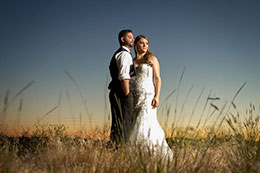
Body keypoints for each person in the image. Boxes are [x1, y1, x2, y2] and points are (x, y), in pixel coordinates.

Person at [128, 35, 173, 158]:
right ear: (136, 44)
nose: (144, 45)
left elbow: (158, 78)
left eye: (146, 43)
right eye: (141, 43)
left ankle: (151, 152)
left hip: (148, 95)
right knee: (135, 121)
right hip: (135, 96)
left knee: (144, 121)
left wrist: (157, 96)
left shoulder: (151, 58)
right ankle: (138, 155)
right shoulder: (131, 61)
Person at [108, 29, 136, 145]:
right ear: (123, 39)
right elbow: (124, 76)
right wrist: (127, 94)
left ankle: (115, 148)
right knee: (124, 123)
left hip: (118, 93)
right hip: (122, 94)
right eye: (130, 37)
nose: (133, 39)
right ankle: (120, 149)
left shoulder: (122, 53)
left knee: (119, 122)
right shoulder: (124, 54)